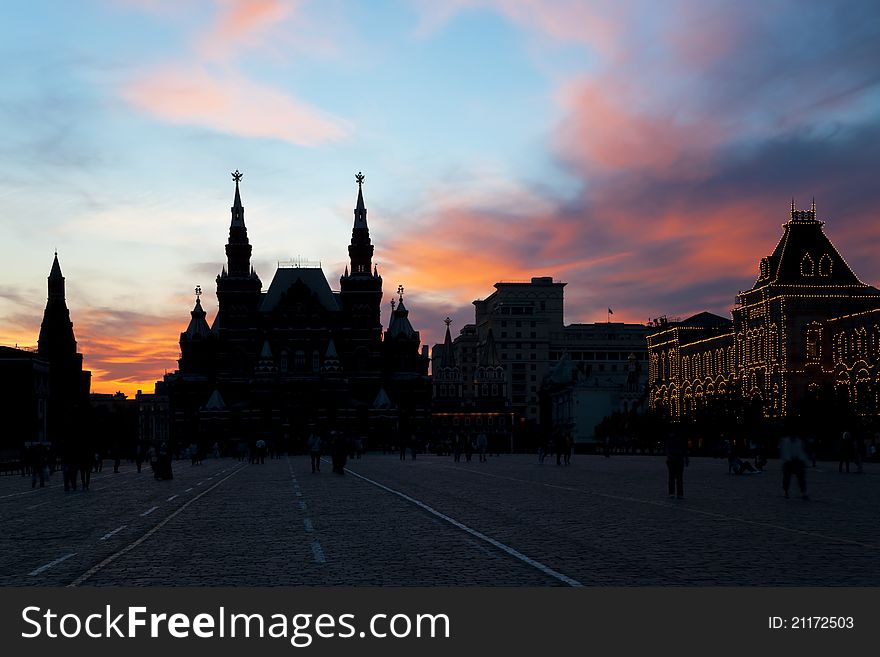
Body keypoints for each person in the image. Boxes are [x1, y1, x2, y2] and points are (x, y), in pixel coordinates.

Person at [780, 432, 809, 500]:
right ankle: (786, 492)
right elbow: (784, 451)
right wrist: (788, 459)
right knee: (786, 478)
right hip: (788, 462)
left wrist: (803, 460)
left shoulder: (799, 441)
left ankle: (803, 493)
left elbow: (801, 451)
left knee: (801, 478)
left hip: (797, 461)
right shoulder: (785, 441)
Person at [665, 433, 688, 499]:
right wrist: (686, 459)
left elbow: (667, 450)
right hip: (676, 459)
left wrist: (669, 456)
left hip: (674, 459)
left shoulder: (671, 440)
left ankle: (672, 493)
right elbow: (684, 450)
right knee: (678, 477)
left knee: (673, 477)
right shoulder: (680, 440)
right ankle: (679, 494)